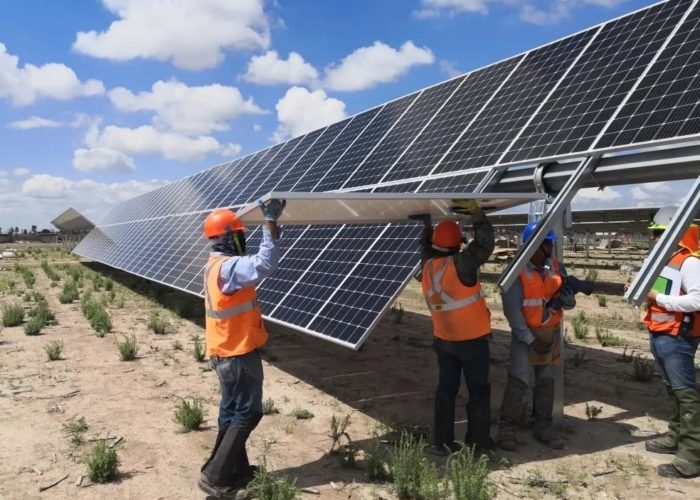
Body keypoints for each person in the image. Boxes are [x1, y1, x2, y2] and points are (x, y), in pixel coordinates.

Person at [198, 199, 286, 499]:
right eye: (239, 234)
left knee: (231, 412)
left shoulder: (213, 267)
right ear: (226, 238)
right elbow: (264, 264)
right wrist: (269, 222)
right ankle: (216, 477)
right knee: (248, 413)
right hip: (237, 352)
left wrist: (271, 228)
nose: (242, 239)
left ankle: (232, 468)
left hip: (224, 351)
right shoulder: (229, 267)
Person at [414, 203, 495, 455]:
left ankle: (443, 443)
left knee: (446, 391)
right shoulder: (460, 263)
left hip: (444, 340)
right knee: (478, 392)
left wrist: (427, 227)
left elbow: (425, 248)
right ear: (456, 244)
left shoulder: (427, 265)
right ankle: (479, 444)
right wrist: (477, 214)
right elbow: (484, 246)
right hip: (472, 340)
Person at [497, 222, 571, 451]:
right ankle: (506, 430)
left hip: (549, 334)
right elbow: (512, 312)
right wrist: (530, 339)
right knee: (519, 381)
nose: (550, 248)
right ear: (532, 246)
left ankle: (543, 427)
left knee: (546, 382)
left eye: (550, 243)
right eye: (546, 244)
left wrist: (566, 298)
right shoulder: (516, 272)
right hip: (526, 336)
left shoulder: (556, 267)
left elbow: (569, 300)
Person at [642, 205, 700, 479]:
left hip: (678, 336)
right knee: (674, 391)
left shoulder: (689, 262)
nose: (653, 240)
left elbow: (698, 300)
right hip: (661, 332)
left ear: (671, 234)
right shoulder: (666, 262)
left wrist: (659, 298)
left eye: (656, 234)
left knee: (686, 395)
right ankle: (675, 437)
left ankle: (690, 458)